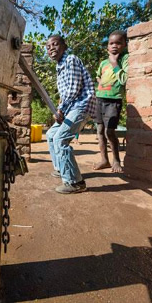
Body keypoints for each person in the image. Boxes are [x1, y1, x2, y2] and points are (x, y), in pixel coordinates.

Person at [45, 34, 96, 194]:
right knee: (51, 135)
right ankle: (62, 168)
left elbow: (73, 90)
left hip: (81, 105)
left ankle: (75, 182)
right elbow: (65, 92)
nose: (51, 48)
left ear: (64, 46)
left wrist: (60, 110)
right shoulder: (59, 66)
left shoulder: (70, 60)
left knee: (60, 139)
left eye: (55, 44)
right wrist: (61, 110)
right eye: (48, 47)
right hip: (72, 107)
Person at [93, 30, 129, 173]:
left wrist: (114, 62)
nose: (114, 46)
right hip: (100, 99)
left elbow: (124, 79)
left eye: (118, 43)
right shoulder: (103, 63)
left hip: (114, 100)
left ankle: (116, 160)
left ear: (124, 45)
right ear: (107, 46)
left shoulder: (124, 59)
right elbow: (97, 76)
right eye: (111, 43)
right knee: (100, 131)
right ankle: (104, 160)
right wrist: (102, 85)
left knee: (110, 132)